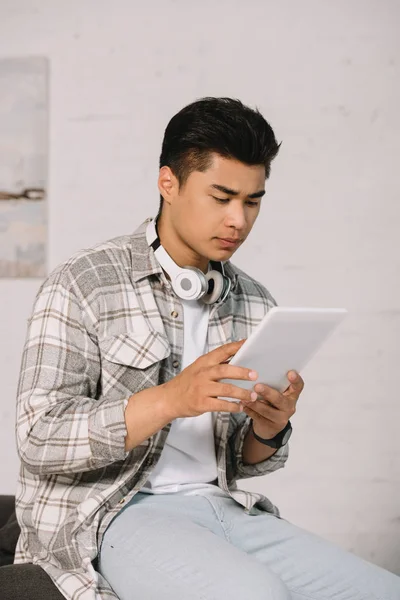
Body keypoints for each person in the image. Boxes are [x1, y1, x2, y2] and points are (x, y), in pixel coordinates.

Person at [14, 97, 399, 600]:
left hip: (226, 508)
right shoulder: (85, 282)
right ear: (168, 183)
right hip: (112, 514)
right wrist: (172, 398)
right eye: (221, 197)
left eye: (252, 200)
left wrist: (270, 426)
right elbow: (39, 437)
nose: (238, 220)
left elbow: (245, 459)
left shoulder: (257, 302)